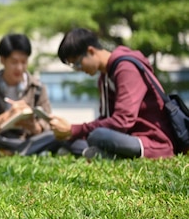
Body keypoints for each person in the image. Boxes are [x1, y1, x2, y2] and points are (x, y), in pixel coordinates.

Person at [49, 27, 175, 159]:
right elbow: (106, 119)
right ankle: (99, 153)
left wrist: (75, 129)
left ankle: (98, 153)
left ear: (91, 51)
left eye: (78, 64)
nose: (79, 70)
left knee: (98, 136)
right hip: (125, 137)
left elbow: (122, 121)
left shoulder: (126, 68)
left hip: (151, 141)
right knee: (71, 139)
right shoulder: (104, 77)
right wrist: (71, 133)